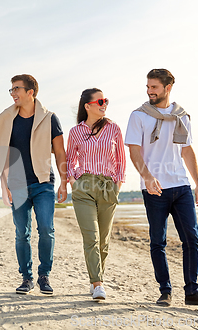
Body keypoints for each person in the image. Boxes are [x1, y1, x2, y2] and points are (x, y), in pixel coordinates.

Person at [125, 69, 198, 306]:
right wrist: (147, 177)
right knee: (158, 240)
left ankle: (192, 292)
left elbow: (187, 150)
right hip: (154, 189)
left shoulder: (181, 116)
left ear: (168, 87)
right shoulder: (139, 115)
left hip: (181, 186)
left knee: (191, 239)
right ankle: (165, 291)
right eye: (148, 87)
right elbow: (134, 150)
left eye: (154, 87)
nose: (149, 91)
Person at [0, 74, 67, 295]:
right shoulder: (6, 119)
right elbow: (2, 154)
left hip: (43, 182)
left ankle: (44, 275)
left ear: (30, 92)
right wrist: (3, 184)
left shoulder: (50, 118)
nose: (12, 93)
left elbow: (60, 153)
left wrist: (64, 182)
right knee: (21, 233)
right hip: (17, 184)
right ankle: (26, 278)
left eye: (17, 88)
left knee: (46, 229)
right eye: (11, 89)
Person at [66, 88, 126, 300]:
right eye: (100, 100)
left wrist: (117, 185)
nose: (104, 104)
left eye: (106, 100)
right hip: (84, 187)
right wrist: (73, 181)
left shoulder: (114, 129)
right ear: (88, 106)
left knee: (103, 241)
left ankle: (96, 275)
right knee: (90, 237)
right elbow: (69, 160)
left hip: (108, 186)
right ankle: (97, 283)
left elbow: (120, 160)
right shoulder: (76, 132)